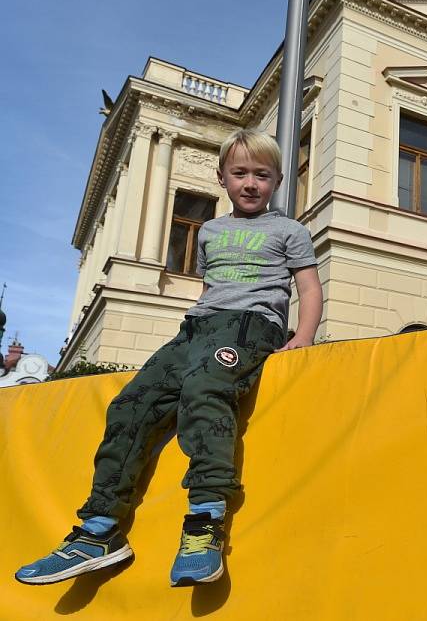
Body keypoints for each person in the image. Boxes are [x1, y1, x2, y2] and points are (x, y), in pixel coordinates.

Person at [15, 128, 323, 587]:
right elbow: (210, 288)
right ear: (222, 179)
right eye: (240, 174)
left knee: (205, 392)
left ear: (278, 180)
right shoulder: (212, 232)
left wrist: (303, 335)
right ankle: (98, 531)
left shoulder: (289, 230)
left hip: (250, 326)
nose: (251, 183)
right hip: (197, 327)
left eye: (262, 175)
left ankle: (204, 522)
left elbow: (309, 288)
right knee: (131, 404)